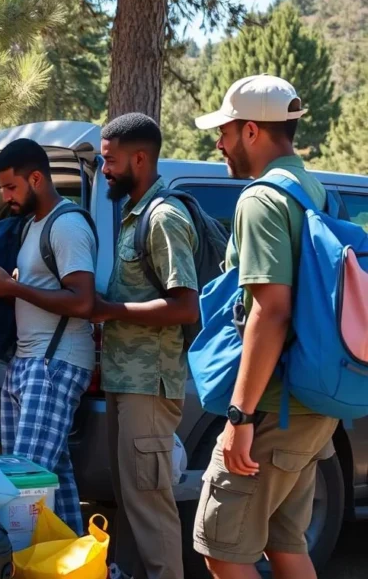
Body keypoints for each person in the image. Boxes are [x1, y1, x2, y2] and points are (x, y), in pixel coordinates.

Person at [191, 75, 339, 579]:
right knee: (285, 543)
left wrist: (240, 418)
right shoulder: (312, 190)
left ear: (251, 131)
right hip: (310, 403)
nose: (220, 143)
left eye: (226, 131)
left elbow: (269, 310)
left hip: (274, 407)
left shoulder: (260, 199)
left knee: (222, 547)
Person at [0, 138, 97, 534]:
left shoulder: (68, 225)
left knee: (24, 486)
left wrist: (13, 289)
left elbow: (83, 301)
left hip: (54, 364)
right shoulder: (33, 225)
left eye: (10, 187)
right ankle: (80, 565)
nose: (5, 196)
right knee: (53, 477)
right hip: (29, 364)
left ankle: (23, 565)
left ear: (36, 178)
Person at [91, 113, 199, 579]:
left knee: (151, 509)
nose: (104, 170)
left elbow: (184, 307)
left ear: (140, 158)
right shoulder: (134, 215)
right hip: (125, 379)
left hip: (149, 386)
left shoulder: (163, 217)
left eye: (110, 160)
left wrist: (109, 311)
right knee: (132, 502)